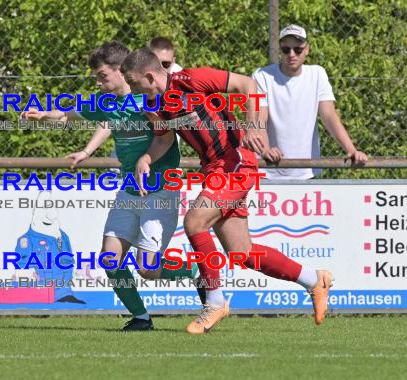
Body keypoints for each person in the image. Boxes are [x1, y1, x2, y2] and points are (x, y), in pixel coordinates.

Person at [121, 48, 333, 334]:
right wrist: (146, 157)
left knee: (194, 222)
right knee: (243, 253)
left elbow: (248, 84)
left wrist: (254, 126)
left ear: (149, 76)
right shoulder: (152, 105)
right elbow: (163, 139)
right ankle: (314, 280)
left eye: (133, 82)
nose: (131, 89)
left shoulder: (193, 79)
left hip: (236, 161)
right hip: (214, 170)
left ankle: (215, 301)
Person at [21, 41, 203, 331]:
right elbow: (70, 113)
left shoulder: (149, 99)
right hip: (129, 191)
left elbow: (168, 137)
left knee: (147, 269)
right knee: (110, 259)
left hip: (160, 191)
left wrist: (147, 158)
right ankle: (141, 318)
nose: (98, 81)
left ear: (121, 71)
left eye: (102, 75)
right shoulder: (105, 102)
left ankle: (194, 270)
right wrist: (43, 115)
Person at [252, 24, 368, 179]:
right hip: (267, 171)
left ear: (307, 49)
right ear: (280, 50)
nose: (291, 54)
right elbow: (260, 118)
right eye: (286, 49)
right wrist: (266, 150)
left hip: (306, 172)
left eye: (298, 49)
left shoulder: (317, 74)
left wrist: (351, 150)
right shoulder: (262, 76)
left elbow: (329, 116)